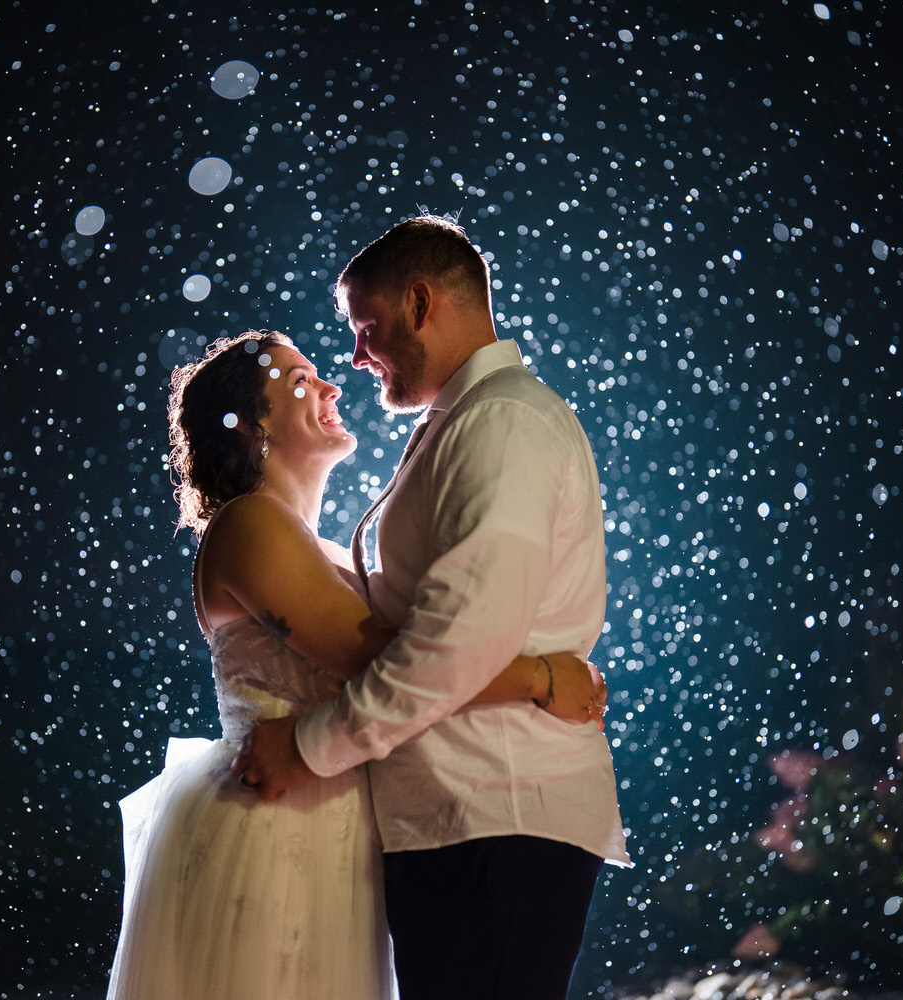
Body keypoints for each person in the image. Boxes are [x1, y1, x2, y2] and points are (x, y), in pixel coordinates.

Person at [106, 329, 606, 1000]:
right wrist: (541, 678)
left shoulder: (321, 547)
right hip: (275, 827)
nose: (332, 386)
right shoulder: (250, 525)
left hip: (335, 829)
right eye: (300, 380)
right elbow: (378, 659)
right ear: (253, 423)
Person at [234, 215, 632, 999]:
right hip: (465, 816)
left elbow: (456, 643)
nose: (355, 358)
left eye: (367, 327)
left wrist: (309, 746)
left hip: (495, 810)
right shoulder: (464, 423)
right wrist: (542, 675)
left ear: (421, 303)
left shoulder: (502, 423)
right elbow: (430, 634)